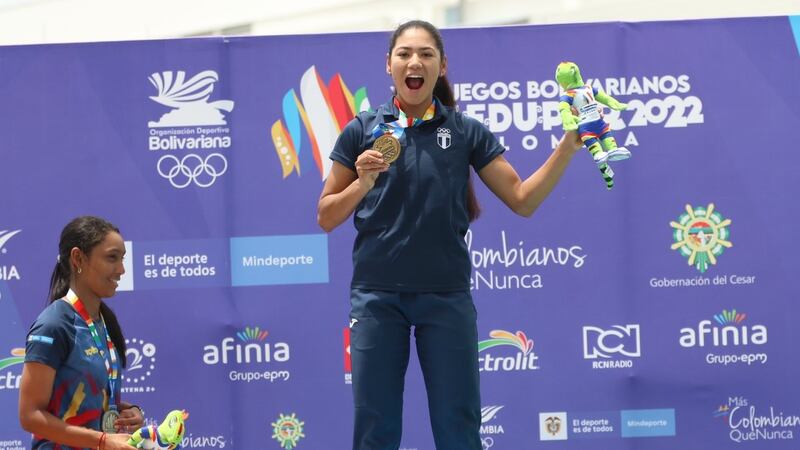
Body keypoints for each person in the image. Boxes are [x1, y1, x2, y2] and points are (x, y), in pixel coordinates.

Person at [318, 20, 582, 450]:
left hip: (446, 299)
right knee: (375, 430)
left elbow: (522, 199)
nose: (414, 61)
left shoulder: (464, 131)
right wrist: (362, 184)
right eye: (404, 54)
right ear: (389, 65)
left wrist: (568, 145)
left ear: (441, 66)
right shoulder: (361, 130)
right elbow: (326, 216)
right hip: (376, 300)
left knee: (458, 430)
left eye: (426, 53)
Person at [18, 216, 144, 450]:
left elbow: (84, 401)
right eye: (112, 258)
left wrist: (130, 412)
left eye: (122, 259)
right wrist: (102, 441)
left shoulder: (103, 321)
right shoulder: (54, 324)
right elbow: (30, 416)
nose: (122, 269)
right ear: (78, 258)